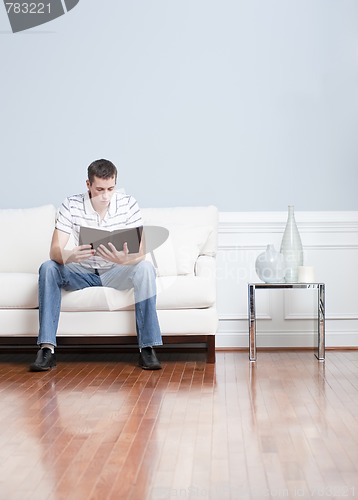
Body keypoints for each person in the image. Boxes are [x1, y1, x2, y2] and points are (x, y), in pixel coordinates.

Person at [30, 159, 162, 372]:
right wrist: (70, 255)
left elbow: (141, 253)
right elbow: (54, 251)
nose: (105, 195)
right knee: (48, 267)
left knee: (146, 269)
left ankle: (147, 348)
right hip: (81, 271)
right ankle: (47, 349)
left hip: (116, 271)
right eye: (99, 189)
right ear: (88, 185)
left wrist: (123, 260)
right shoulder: (71, 205)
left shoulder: (128, 204)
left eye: (111, 188)